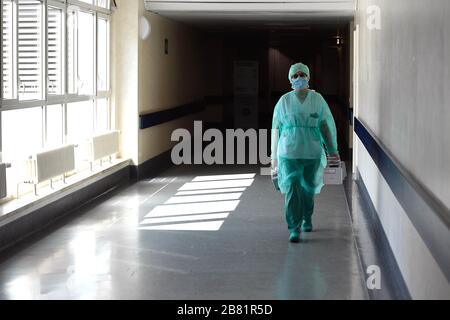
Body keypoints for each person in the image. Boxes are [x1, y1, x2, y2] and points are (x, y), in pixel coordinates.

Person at [271, 62, 340, 243]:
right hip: (288, 153)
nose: (299, 78)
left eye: (302, 74)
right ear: (290, 79)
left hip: (312, 152)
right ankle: (294, 227)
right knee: (293, 187)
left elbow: (326, 126)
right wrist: (273, 158)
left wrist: (332, 150)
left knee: (308, 189)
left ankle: (307, 217)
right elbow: (275, 129)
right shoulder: (284, 101)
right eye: (295, 75)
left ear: (308, 77)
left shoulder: (317, 100)